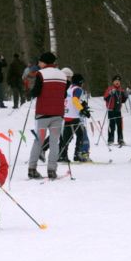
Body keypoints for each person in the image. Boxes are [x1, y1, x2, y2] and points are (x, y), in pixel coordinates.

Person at [27, 51, 66, 179]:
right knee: (54, 143)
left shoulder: (41, 74)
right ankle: (52, 170)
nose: (38, 63)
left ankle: (32, 169)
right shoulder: (62, 75)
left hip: (43, 113)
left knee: (39, 141)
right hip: (57, 114)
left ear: (45, 62)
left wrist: (30, 91)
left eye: (40, 61)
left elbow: (36, 92)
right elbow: (64, 94)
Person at [59, 72, 91, 163]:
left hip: (66, 115)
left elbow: (71, 100)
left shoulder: (69, 88)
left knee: (67, 137)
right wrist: (82, 110)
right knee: (80, 135)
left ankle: (63, 155)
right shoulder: (78, 89)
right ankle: (78, 154)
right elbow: (75, 100)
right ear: (80, 82)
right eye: (82, 82)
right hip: (74, 116)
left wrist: (81, 105)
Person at [103, 75, 128, 146]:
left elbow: (123, 100)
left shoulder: (121, 90)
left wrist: (126, 95)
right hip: (111, 110)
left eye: (118, 81)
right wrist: (110, 93)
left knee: (119, 125)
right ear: (113, 82)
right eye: (116, 81)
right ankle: (110, 140)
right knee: (112, 125)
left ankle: (120, 139)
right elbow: (105, 98)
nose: (117, 82)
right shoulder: (110, 89)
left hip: (118, 110)